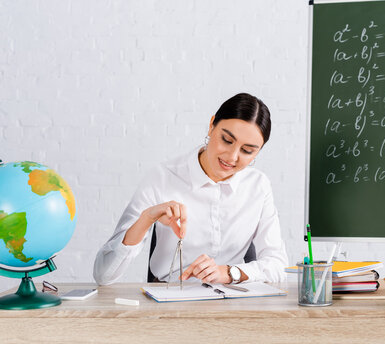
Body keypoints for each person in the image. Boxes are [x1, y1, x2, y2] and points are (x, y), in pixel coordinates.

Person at [93, 93, 288, 285]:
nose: (232, 156)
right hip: (172, 303)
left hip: (233, 302)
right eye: (227, 140)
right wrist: (146, 218)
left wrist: (230, 273)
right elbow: (103, 275)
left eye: (247, 151)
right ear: (212, 125)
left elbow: (278, 266)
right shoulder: (162, 178)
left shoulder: (258, 185)